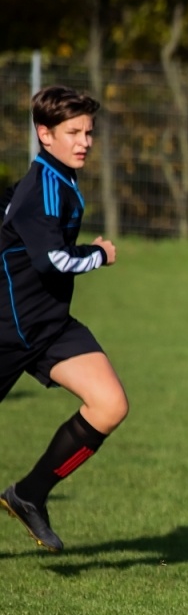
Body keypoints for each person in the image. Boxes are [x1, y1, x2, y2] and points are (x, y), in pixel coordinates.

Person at [0, 85, 126, 553]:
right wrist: (98, 254)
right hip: (7, 329)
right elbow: (52, 260)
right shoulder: (42, 187)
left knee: (109, 404)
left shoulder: (59, 178)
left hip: (49, 325)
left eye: (89, 132)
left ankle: (29, 494)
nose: (84, 141)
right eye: (73, 132)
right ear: (44, 134)